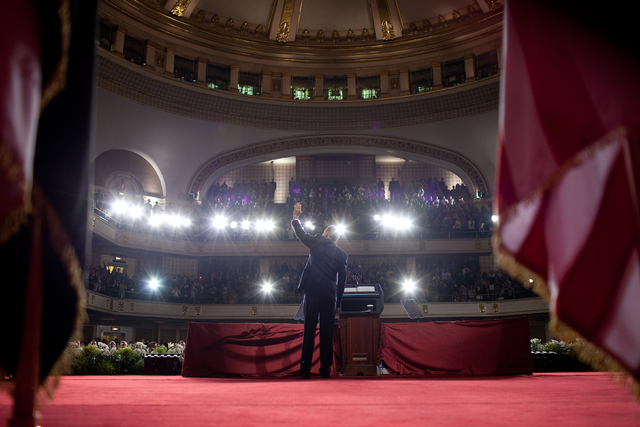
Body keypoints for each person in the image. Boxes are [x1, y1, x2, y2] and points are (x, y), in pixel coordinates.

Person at [291, 202, 348, 379]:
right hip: (330, 296)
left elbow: (300, 234)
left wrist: (296, 217)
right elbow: (342, 282)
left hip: (313, 292)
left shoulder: (316, 241)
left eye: (325, 231)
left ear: (328, 233)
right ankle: (325, 371)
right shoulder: (342, 255)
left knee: (309, 332)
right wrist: (338, 304)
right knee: (327, 334)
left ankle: (305, 369)